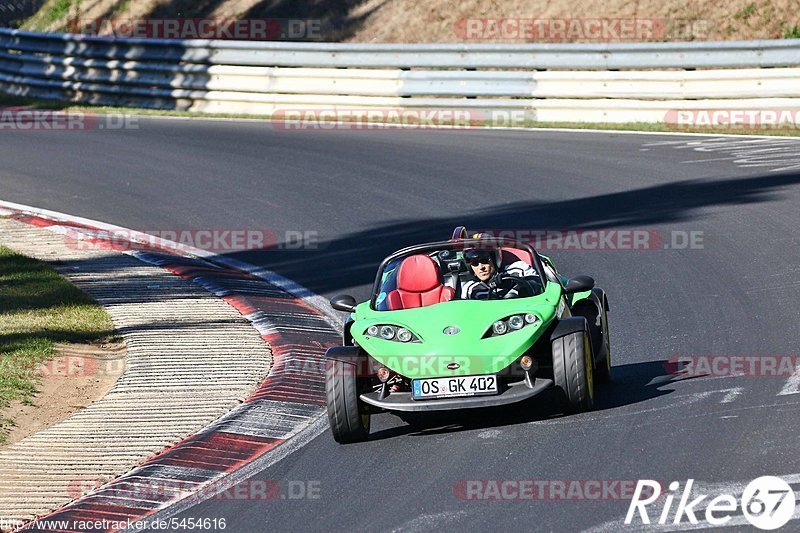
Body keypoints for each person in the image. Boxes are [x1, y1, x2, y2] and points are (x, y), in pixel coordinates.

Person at [460, 248, 539, 300]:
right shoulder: (469, 289)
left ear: (495, 259)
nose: (481, 267)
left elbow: (539, 284)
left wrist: (512, 282)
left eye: (485, 261)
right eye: (475, 263)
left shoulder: (518, 269)